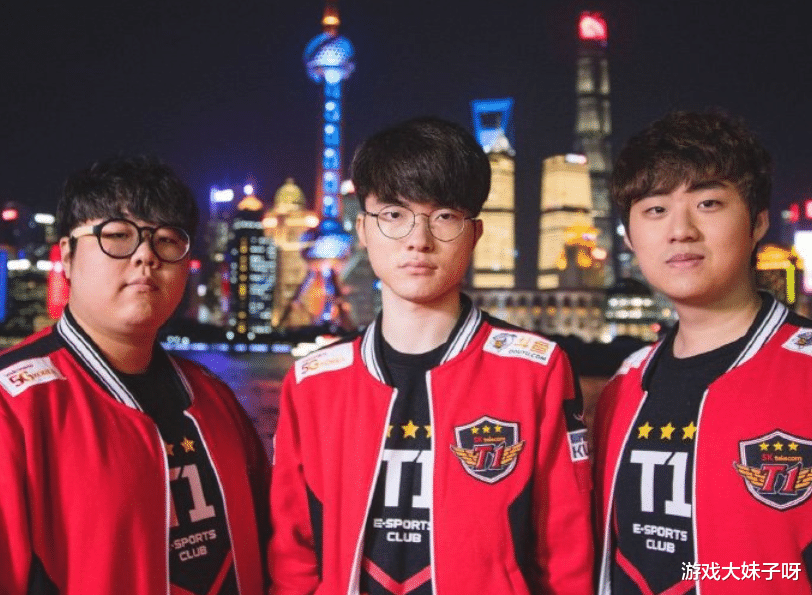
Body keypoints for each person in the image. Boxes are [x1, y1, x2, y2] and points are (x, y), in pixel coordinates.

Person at [269, 117, 593, 595]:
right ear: (363, 229)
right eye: (394, 214)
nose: (418, 239)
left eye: (443, 216)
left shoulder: (534, 370)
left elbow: (567, 554)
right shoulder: (313, 382)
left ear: (475, 232)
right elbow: (293, 557)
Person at [0, 156, 270, 594]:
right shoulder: (15, 409)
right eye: (118, 236)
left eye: (166, 240)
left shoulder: (213, 397)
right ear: (66, 254)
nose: (146, 255)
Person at [594, 111, 812, 594]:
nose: (681, 230)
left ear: (757, 222)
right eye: (655, 209)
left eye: (708, 203)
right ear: (629, 237)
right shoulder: (624, 387)